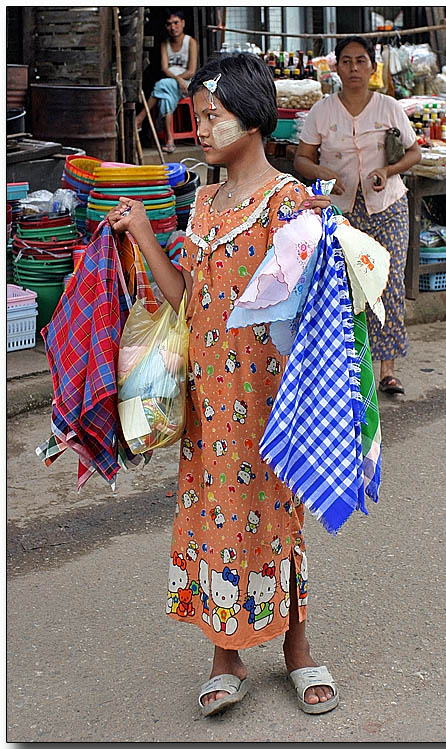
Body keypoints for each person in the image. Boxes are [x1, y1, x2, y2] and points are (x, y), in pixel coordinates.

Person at [108, 52, 339, 718]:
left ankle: (297, 646)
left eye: (213, 115)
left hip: (273, 401)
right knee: (213, 515)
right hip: (209, 402)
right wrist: (147, 235)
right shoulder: (204, 203)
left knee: (278, 514)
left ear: (254, 117)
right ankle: (224, 653)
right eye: (198, 115)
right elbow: (184, 296)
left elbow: (316, 304)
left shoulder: (288, 202)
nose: (200, 128)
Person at [294, 35, 421, 395]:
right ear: (336, 67)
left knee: (389, 283)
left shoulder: (389, 107)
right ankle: (346, 369)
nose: (353, 68)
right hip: (341, 211)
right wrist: (322, 175)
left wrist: (390, 170)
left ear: (372, 68)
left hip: (388, 207)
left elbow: (415, 153)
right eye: (346, 61)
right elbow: (303, 158)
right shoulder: (322, 110)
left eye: (360, 61)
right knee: (344, 288)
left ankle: (388, 370)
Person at [136, 9, 198, 153]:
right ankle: (170, 141)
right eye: (169, 24)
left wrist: (181, 80)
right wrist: (177, 79)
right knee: (165, 94)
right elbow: (164, 68)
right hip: (171, 83)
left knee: (161, 86)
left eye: (176, 23)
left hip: (185, 85)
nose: (173, 27)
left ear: (183, 23)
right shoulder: (165, 44)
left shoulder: (191, 42)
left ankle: (140, 118)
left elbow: (192, 71)